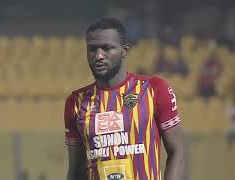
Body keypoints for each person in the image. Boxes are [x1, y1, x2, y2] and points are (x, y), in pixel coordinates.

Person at [64, 17, 184, 180]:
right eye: (92, 49)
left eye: (107, 48)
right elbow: (76, 169)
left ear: (125, 51)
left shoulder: (154, 89)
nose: (99, 55)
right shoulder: (75, 102)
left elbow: (176, 151)